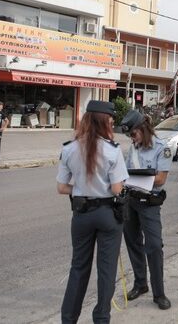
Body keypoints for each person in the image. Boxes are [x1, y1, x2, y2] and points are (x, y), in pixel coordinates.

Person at [56, 100, 129, 324]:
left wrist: (80, 188)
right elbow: (117, 188)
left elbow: (61, 188)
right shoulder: (112, 151)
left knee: (78, 268)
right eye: (111, 121)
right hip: (108, 215)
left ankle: (68, 319)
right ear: (104, 122)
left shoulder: (68, 148)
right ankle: (101, 318)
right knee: (106, 271)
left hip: (82, 215)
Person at [120, 110, 172, 310]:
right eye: (129, 136)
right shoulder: (133, 149)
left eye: (133, 134)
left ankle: (159, 294)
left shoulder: (161, 148)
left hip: (149, 204)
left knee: (154, 247)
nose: (131, 138)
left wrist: (130, 179)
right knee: (133, 244)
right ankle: (141, 284)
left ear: (143, 129)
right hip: (130, 202)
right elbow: (124, 173)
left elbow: (160, 180)